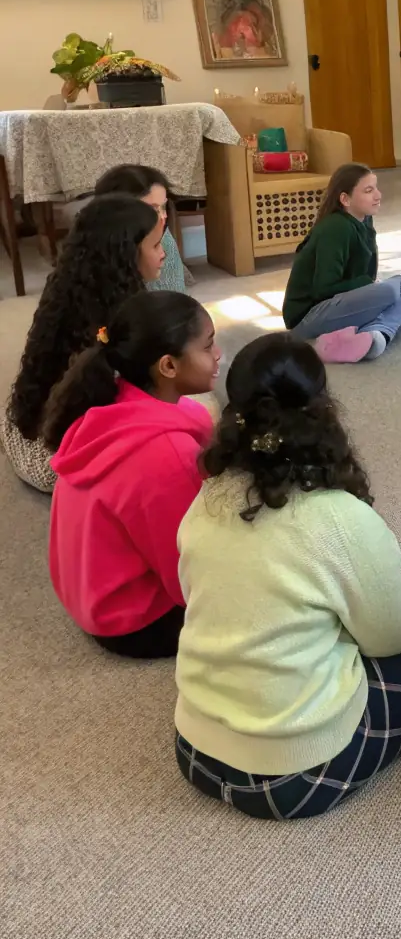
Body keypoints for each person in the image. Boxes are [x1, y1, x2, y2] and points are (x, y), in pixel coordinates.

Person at [173, 333, 401, 819]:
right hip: (295, 778)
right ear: (321, 410)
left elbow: (198, 596)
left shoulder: (205, 500)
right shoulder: (340, 518)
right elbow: (394, 638)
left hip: (194, 749)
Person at [45, 291, 220, 658]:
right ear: (168, 366)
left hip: (90, 596)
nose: (218, 355)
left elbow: (195, 417)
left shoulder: (113, 404)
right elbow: (188, 576)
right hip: (134, 623)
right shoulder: (168, 456)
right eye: (208, 346)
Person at [1, 195, 166, 493]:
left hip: (39, 422)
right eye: (156, 246)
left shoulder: (69, 286)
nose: (163, 253)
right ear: (124, 257)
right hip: (62, 455)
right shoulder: (118, 321)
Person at [282, 164, 401, 363]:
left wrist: (368, 286)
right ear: (345, 199)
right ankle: (371, 331)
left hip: (339, 303)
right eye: (368, 190)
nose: (378, 195)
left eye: (376, 187)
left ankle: (377, 337)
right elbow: (323, 290)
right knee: (389, 292)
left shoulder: (364, 219)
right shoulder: (336, 228)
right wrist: (368, 285)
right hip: (307, 316)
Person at [94, 163, 188, 293]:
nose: (163, 217)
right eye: (152, 209)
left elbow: (175, 301)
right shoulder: (93, 250)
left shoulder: (163, 240)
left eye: (164, 207)